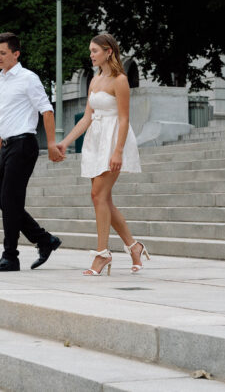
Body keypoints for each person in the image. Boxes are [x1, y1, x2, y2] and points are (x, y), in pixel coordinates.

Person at [56, 33, 150, 276]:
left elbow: (124, 118)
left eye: (94, 51)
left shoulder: (120, 80)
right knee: (103, 199)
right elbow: (87, 117)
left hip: (113, 139)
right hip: (95, 140)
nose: (91, 55)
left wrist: (117, 151)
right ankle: (134, 246)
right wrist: (65, 142)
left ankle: (102, 254)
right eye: (91, 50)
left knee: (97, 194)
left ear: (109, 51)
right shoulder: (95, 80)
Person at [0, 32, 64, 272]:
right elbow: (3, 118)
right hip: (8, 146)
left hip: (24, 145)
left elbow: (46, 110)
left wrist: (51, 144)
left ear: (16, 54)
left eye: (3, 53)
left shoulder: (29, 78)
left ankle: (10, 256)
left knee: (11, 201)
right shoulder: (1, 82)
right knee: (5, 202)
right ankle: (44, 239)